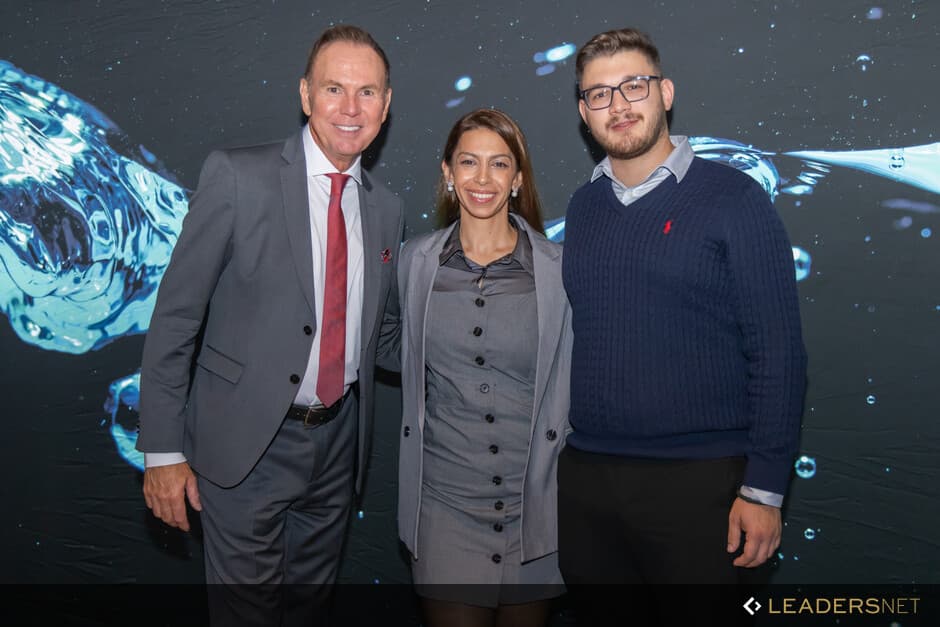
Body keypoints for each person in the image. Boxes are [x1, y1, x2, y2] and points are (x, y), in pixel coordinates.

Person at [136, 24, 403, 626]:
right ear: (306, 94)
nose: (350, 108)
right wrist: (161, 453)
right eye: (335, 88)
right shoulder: (237, 177)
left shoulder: (386, 210)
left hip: (338, 451)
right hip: (245, 448)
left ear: (386, 107)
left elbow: (380, 338)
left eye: (367, 93)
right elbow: (177, 317)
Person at [558, 27, 807, 623]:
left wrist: (764, 489)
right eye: (599, 94)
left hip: (705, 488)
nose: (618, 105)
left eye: (634, 86)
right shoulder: (581, 208)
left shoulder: (735, 198)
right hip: (588, 484)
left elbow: (779, 353)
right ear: (583, 112)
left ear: (665, 92)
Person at [396, 109, 572, 627]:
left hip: (536, 510)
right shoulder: (412, 264)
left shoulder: (561, 271)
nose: (482, 178)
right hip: (445, 507)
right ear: (447, 173)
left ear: (517, 179)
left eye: (499, 164)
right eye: (468, 162)